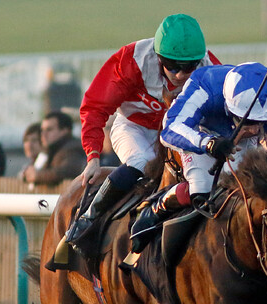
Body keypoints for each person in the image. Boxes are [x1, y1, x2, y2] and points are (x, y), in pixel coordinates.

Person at [65, 14, 219, 249]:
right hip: (134, 127)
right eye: (173, 66)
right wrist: (93, 157)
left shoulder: (212, 68)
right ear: (158, 58)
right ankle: (88, 220)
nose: (180, 75)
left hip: (182, 131)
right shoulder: (131, 61)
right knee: (142, 161)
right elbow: (95, 106)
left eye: (189, 66)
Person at [128, 61, 267, 251]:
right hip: (199, 131)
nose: (255, 128)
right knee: (204, 191)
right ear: (229, 105)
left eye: (260, 122)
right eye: (249, 121)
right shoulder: (206, 85)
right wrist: (208, 143)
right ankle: (156, 209)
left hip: (237, 134)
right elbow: (171, 129)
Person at [22, 111, 86, 187]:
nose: (43, 134)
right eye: (42, 130)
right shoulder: (52, 150)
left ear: (65, 131)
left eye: (49, 130)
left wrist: (38, 175)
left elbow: (67, 172)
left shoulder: (72, 148)